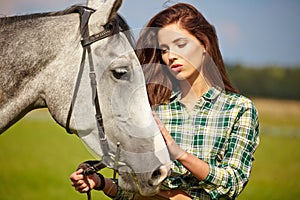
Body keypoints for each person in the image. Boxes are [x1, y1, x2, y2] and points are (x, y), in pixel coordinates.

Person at [70, 3, 259, 200]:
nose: (170, 56)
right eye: (164, 49)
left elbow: (232, 183)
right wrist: (100, 182)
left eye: (181, 44)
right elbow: (135, 189)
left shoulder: (239, 109)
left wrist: (181, 155)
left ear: (204, 45)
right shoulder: (154, 106)